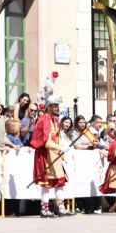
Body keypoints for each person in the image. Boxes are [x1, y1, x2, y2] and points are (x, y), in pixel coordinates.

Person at [30, 73, 72, 218]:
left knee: (59, 181)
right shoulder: (44, 120)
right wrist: (60, 148)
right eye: (54, 106)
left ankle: (61, 207)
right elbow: (46, 141)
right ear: (48, 107)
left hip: (56, 153)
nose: (57, 108)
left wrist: (62, 152)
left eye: (57, 106)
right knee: (47, 183)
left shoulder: (54, 120)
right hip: (46, 154)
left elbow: (57, 138)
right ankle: (44, 208)